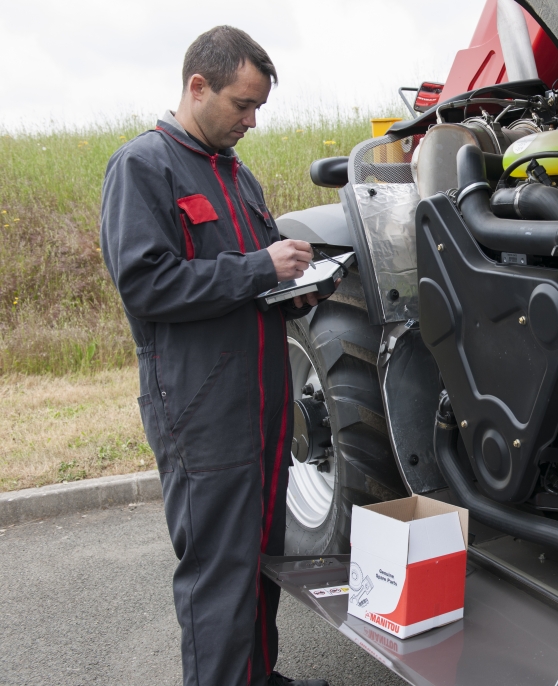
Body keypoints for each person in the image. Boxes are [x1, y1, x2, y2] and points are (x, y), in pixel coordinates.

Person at [101, 25, 329, 686]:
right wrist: (261, 267)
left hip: (261, 407)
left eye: (258, 107)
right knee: (219, 575)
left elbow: (246, 287)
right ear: (197, 86)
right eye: (241, 104)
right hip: (203, 410)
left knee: (260, 558)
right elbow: (148, 285)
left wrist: (294, 293)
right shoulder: (143, 167)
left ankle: (257, 676)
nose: (252, 120)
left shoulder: (237, 174)